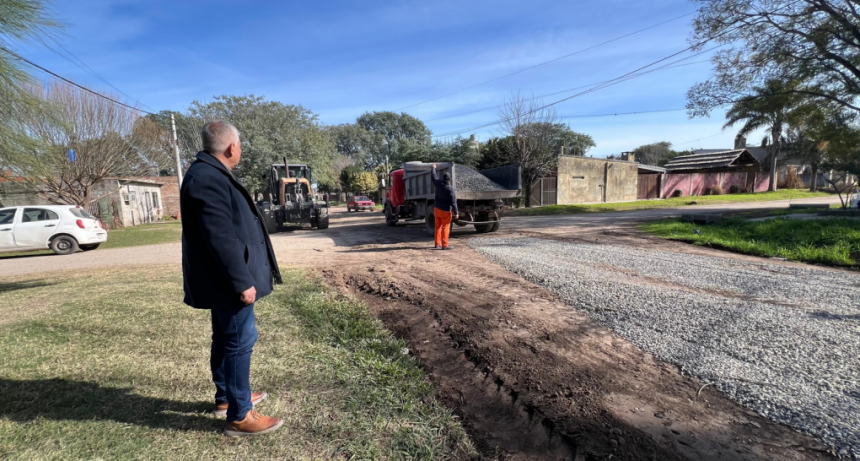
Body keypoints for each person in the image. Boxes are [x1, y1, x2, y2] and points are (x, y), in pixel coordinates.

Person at [180, 121, 284, 437]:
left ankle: (228, 397)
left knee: (227, 338)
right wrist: (242, 281)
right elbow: (220, 237)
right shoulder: (207, 178)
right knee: (240, 340)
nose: (240, 150)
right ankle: (240, 416)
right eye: (240, 145)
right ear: (231, 147)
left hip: (220, 280)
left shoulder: (208, 173)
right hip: (227, 281)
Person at [430, 163, 458, 250]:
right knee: (445, 227)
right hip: (445, 211)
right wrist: (456, 212)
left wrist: (433, 168)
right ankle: (445, 245)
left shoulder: (438, 184)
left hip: (437, 209)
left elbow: (433, 176)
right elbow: (453, 202)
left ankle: (437, 244)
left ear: (443, 178)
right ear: (450, 179)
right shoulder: (450, 189)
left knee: (437, 227)